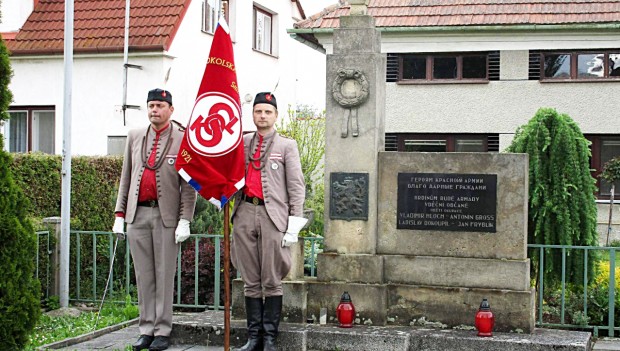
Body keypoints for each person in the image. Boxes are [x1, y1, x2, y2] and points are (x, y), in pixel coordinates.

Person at [112, 88, 197, 351]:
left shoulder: (183, 139)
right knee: (144, 274)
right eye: (151, 105)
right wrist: (119, 214)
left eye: (160, 105)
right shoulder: (135, 136)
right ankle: (145, 328)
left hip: (166, 216)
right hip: (137, 215)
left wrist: (186, 219)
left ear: (171, 110)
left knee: (164, 274)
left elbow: (189, 185)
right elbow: (126, 176)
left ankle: (162, 329)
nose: (154, 110)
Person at [231, 92, 306, 351]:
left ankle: (270, 338)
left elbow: (296, 187)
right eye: (258, 111)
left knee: (271, 279)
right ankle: (254, 338)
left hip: (273, 216)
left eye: (267, 112)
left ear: (275, 115)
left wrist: (294, 223)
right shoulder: (241, 143)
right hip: (244, 212)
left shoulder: (287, 145)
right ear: (253, 114)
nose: (262, 116)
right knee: (250, 278)